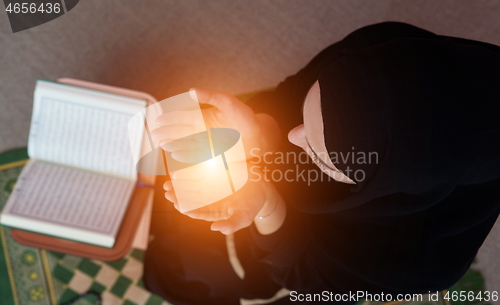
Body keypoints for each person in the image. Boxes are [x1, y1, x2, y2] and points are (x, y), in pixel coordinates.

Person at [143, 22, 500, 304]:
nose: (292, 138)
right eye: (306, 113)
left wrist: (266, 205)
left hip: (296, 259)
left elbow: (307, 278)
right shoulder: (379, 45)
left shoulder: (425, 262)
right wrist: (263, 128)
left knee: (220, 279)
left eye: (320, 154)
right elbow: (288, 97)